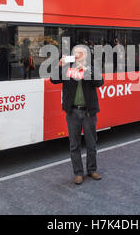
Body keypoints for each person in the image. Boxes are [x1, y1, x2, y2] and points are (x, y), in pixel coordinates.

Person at [50, 46, 104, 185]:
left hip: (88, 112)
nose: (76, 55)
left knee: (91, 143)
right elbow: (53, 80)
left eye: (79, 53)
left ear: (85, 55)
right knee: (74, 145)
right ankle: (78, 173)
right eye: (74, 53)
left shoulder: (92, 68)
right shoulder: (67, 69)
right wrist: (59, 65)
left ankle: (92, 170)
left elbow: (100, 82)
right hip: (73, 112)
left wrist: (87, 71)